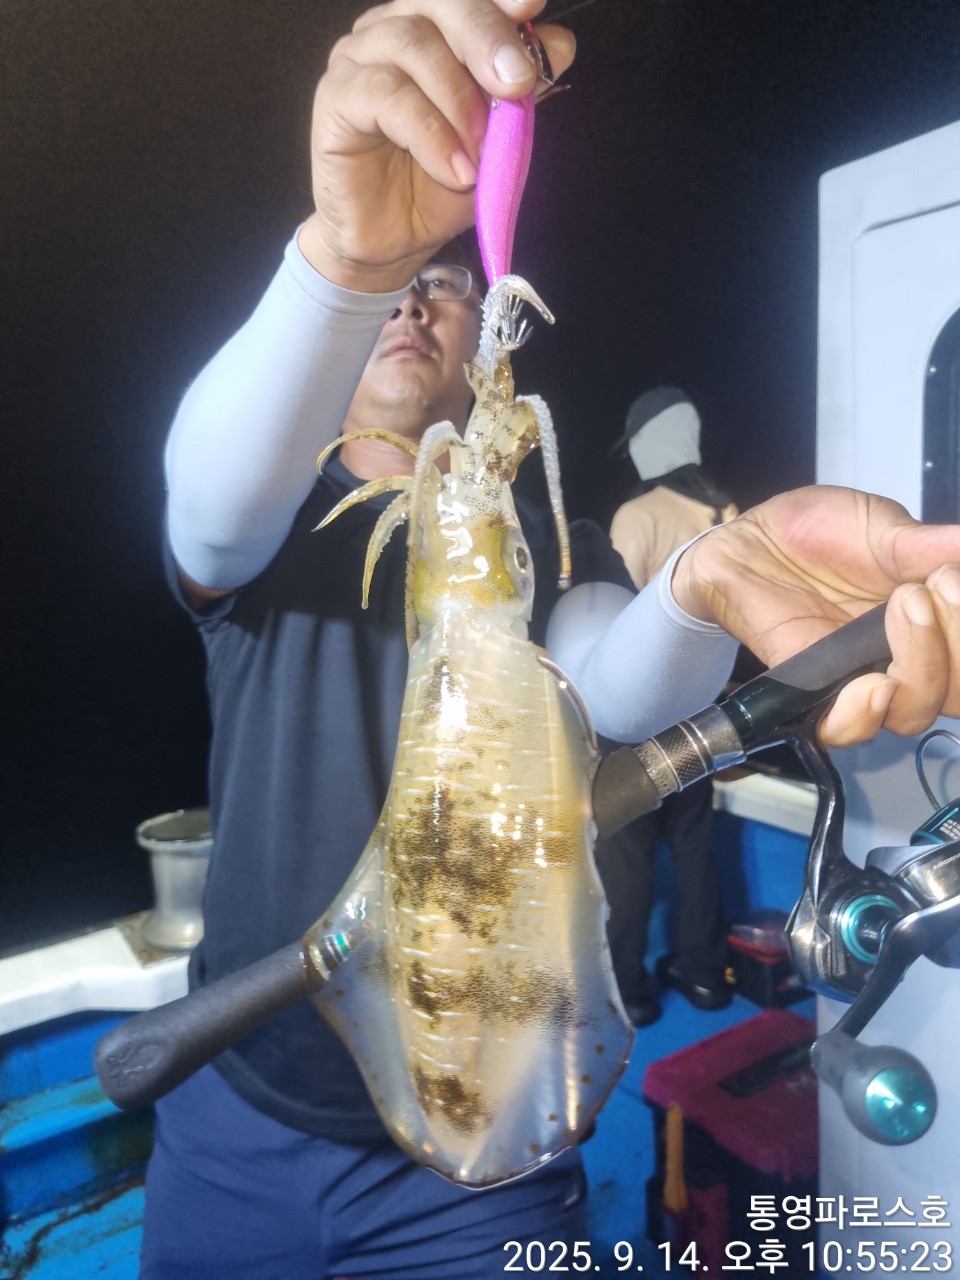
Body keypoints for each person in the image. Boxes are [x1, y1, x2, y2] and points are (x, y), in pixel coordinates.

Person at [145, 1, 960, 1275]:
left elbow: (609, 686)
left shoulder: (543, 545)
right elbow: (208, 495)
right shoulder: (269, 528)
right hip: (238, 1112)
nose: (416, 306)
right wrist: (345, 262)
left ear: (480, 337)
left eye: (445, 288)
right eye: (391, 296)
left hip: (486, 1133)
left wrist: (695, 587)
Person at [599, 387, 738, 1027]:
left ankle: (628, 992)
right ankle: (706, 976)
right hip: (703, 710)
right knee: (693, 846)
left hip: (636, 714)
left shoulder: (638, 515)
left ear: (647, 444)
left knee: (625, 855)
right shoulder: (728, 514)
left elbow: (616, 620)